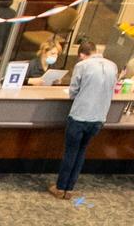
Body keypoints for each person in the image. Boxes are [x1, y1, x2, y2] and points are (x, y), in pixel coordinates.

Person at [49, 41, 119, 200]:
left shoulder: (82, 66)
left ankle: (60, 188)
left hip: (80, 116)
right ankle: (70, 189)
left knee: (70, 152)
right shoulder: (112, 66)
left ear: (81, 55)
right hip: (99, 117)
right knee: (82, 151)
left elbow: (73, 92)